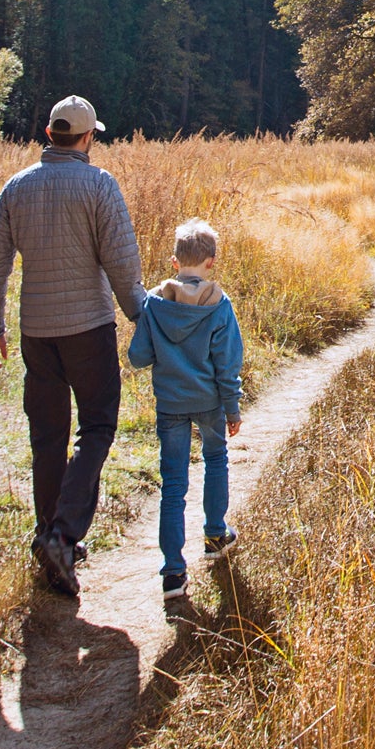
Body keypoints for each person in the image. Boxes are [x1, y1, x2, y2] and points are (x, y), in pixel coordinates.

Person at [0, 94, 147, 597]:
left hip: (36, 333)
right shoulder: (99, 185)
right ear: (88, 137)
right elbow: (122, 264)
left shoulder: (17, 187)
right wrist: (145, 319)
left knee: (48, 435)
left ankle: (46, 539)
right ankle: (64, 535)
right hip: (89, 330)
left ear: (50, 134)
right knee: (97, 426)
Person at [127, 218, 244, 601]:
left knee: (173, 484)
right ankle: (214, 535)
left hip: (171, 406)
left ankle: (173, 573)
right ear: (211, 262)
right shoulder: (219, 306)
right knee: (215, 460)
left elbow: (138, 357)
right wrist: (232, 408)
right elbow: (227, 365)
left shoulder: (155, 305)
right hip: (209, 403)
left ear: (175, 263)